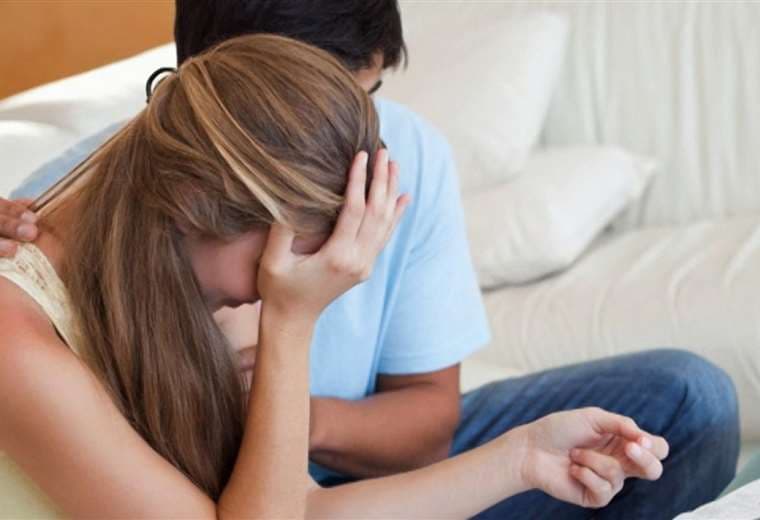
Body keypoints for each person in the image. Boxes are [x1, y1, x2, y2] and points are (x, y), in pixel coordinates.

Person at [0, 1, 739, 518]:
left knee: (684, 398)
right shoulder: (52, 299)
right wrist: (291, 323)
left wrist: (520, 460)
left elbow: (297, 504)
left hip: (324, 479)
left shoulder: (188, 267)